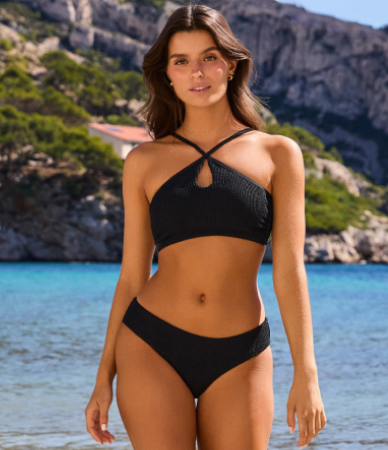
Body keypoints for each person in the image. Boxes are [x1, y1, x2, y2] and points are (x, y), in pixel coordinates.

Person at [82, 4, 325, 449]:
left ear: (231, 66)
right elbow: (132, 277)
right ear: (168, 75)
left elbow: (290, 270)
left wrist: (306, 373)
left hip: (242, 353)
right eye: (182, 61)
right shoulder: (143, 162)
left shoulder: (278, 154)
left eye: (209, 57)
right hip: (151, 344)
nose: (198, 72)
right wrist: (104, 379)